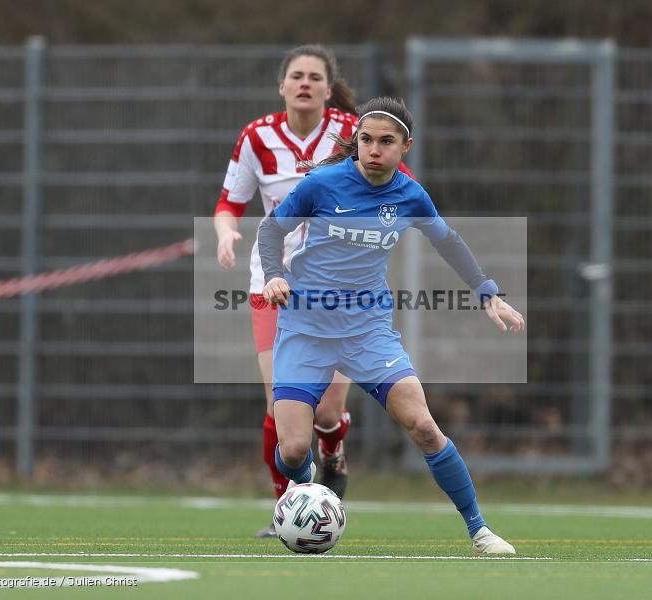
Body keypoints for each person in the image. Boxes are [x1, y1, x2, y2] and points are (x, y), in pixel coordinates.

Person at [257, 97, 525, 554]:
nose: (374, 149)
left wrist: (488, 292)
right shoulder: (321, 184)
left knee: (423, 426)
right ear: (356, 143)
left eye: (386, 141)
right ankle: (308, 498)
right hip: (305, 327)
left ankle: (479, 530)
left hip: (367, 330)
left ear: (406, 147)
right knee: (295, 449)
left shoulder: (409, 194)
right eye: (366, 140)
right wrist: (274, 275)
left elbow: (449, 242)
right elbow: (271, 229)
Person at [215, 44, 377, 538]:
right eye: (296, 75)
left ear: (329, 89)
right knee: (281, 409)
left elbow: (383, 191)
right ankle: (286, 504)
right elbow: (229, 203)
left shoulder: (352, 135)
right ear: (282, 86)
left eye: (315, 77)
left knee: (326, 412)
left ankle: (333, 448)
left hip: (338, 289)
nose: (304, 83)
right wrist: (226, 233)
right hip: (274, 286)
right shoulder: (257, 136)